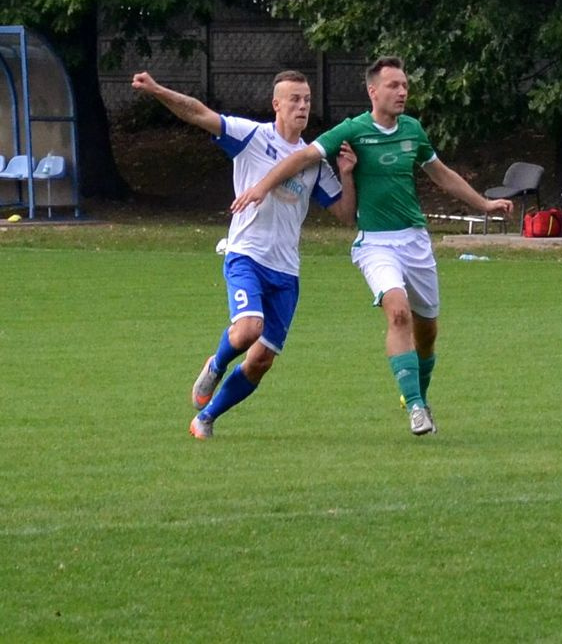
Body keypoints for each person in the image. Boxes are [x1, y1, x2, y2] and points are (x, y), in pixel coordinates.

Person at [231, 56, 514, 437]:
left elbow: (442, 175)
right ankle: (416, 409)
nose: (402, 92)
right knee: (397, 313)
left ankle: (418, 393)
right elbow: (302, 157)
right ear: (373, 91)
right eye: (394, 85)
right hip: (376, 243)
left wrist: (484, 205)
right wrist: (261, 188)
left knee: (427, 332)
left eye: (405, 85)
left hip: (414, 240)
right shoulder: (354, 129)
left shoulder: (412, 130)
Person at [131, 69, 356, 440]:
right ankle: (216, 365)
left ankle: (206, 419)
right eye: (294, 99)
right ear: (276, 104)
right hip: (246, 255)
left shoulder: (314, 161)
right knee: (249, 329)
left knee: (261, 360)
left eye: (307, 100)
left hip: (286, 272)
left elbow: (346, 215)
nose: (302, 106)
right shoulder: (251, 136)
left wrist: (346, 174)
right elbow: (197, 113)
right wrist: (157, 90)